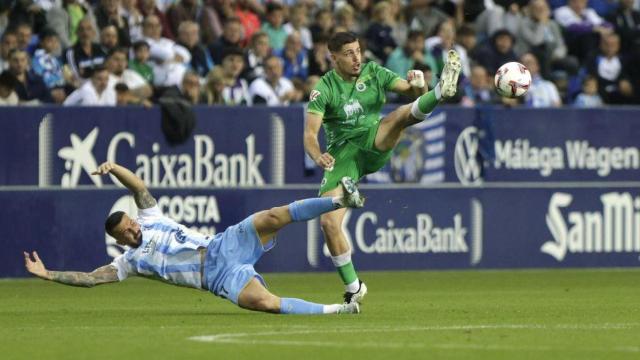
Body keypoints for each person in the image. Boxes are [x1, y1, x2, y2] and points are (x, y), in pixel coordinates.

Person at [23, 161, 363, 315]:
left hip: (223, 244)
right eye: (126, 231)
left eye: (130, 222)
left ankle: (339, 200)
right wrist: (48, 274)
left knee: (273, 216)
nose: (133, 228)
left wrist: (113, 168)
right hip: (217, 278)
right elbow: (90, 279)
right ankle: (339, 310)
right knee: (265, 303)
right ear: (119, 239)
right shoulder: (129, 263)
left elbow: (138, 186)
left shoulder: (150, 217)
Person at [304, 31, 460, 303]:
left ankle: (441, 90)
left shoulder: (374, 72)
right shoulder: (324, 88)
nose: (356, 58)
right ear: (334, 58)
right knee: (329, 223)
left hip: (374, 139)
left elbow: (411, 93)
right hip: (344, 156)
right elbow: (309, 134)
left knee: (398, 117)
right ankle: (354, 288)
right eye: (349, 53)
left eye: (358, 51)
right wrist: (318, 155)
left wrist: (420, 84)